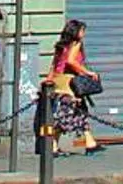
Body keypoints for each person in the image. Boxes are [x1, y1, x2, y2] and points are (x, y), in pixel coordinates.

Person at [43, 19, 100, 156]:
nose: (83, 34)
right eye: (82, 31)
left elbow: (54, 65)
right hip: (69, 84)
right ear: (75, 32)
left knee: (79, 112)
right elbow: (71, 61)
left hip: (58, 82)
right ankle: (53, 145)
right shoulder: (75, 44)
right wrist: (88, 72)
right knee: (67, 115)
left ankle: (90, 142)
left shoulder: (61, 45)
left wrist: (49, 79)